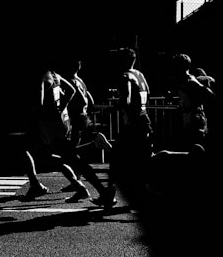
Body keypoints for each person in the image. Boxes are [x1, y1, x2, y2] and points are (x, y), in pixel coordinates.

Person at [35, 59, 115, 205]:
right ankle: (84, 187)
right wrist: (63, 107)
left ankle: (95, 189)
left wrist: (53, 110)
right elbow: (77, 94)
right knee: (68, 156)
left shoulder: (44, 77)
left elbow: (39, 103)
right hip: (64, 121)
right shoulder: (57, 76)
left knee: (65, 157)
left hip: (51, 124)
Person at [92, 47, 154, 208]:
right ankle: (139, 192)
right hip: (144, 119)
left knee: (117, 156)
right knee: (140, 158)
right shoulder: (140, 74)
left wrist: (112, 109)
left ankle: (110, 195)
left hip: (133, 123)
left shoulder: (124, 76)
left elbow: (125, 99)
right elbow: (148, 92)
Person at [170, 54, 215, 150]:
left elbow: (210, 95)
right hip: (187, 120)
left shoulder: (191, 82)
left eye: (176, 66)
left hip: (195, 122)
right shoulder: (181, 81)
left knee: (196, 149)